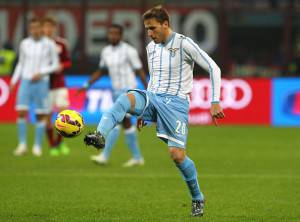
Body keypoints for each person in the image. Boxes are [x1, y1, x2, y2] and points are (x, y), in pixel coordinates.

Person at [83, 6, 225, 216]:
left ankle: (197, 197)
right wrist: (144, 113)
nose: (149, 33)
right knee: (125, 99)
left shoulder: (184, 43)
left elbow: (214, 68)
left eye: (153, 28)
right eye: (147, 29)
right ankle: (100, 134)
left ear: (165, 24)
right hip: (154, 97)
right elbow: (154, 79)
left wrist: (215, 101)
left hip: (176, 104)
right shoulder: (151, 48)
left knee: (177, 156)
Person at [79, 24, 147, 167]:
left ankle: (104, 156)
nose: (113, 36)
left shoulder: (129, 51)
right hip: (116, 91)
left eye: (116, 33)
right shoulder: (106, 52)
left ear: (121, 35)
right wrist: (87, 84)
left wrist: (148, 89)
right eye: (111, 33)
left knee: (116, 122)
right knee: (126, 124)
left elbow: (139, 70)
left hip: (129, 91)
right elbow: (101, 71)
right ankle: (137, 157)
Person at [10, 17, 59, 157]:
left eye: (37, 28)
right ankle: (22, 145)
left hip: (42, 82)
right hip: (25, 80)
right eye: (32, 28)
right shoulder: (24, 43)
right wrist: (14, 80)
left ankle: (37, 146)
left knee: (40, 115)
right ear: (30, 29)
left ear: (41, 28)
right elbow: (21, 63)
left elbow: (55, 65)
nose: (35, 30)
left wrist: (41, 72)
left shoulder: (49, 44)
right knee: (21, 112)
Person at [43, 17, 72, 156]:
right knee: (47, 116)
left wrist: (62, 66)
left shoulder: (61, 43)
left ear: (54, 28)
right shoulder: (38, 45)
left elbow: (68, 62)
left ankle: (60, 143)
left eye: (50, 27)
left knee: (63, 114)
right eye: (45, 27)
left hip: (59, 83)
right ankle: (52, 145)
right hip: (44, 85)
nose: (48, 30)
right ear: (42, 28)